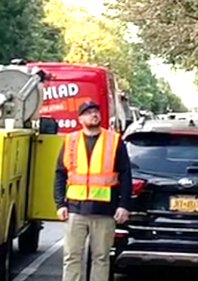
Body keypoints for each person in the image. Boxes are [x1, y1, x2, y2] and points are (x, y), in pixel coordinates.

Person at [55, 99, 132, 281]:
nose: (94, 114)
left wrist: (124, 205)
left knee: (101, 258)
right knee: (72, 257)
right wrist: (60, 203)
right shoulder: (71, 141)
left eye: (96, 111)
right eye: (88, 112)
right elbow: (60, 173)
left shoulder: (113, 141)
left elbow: (125, 175)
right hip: (75, 210)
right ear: (80, 118)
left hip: (104, 211)